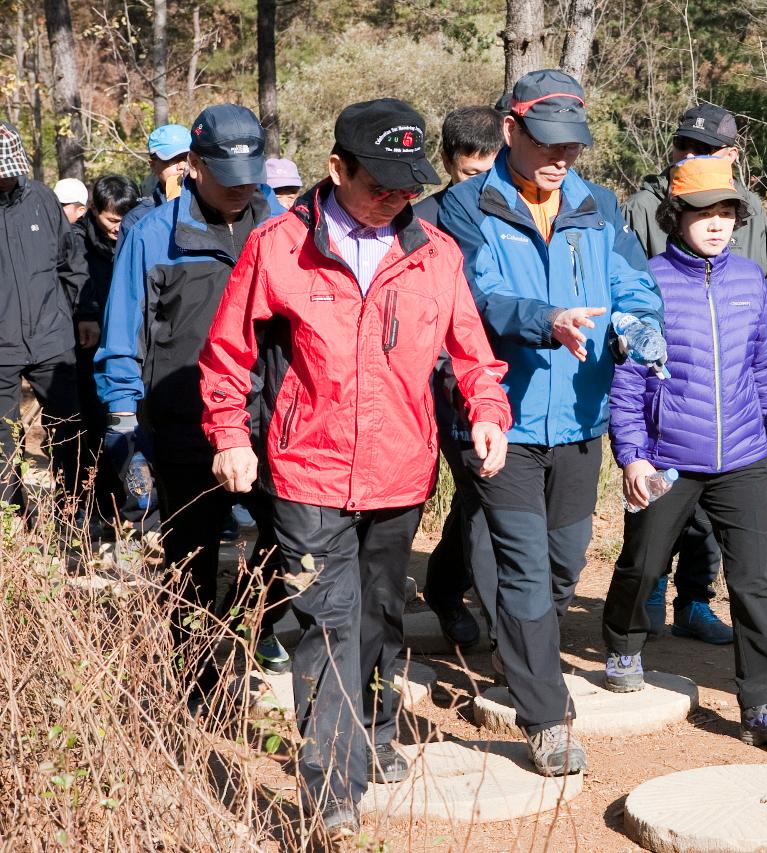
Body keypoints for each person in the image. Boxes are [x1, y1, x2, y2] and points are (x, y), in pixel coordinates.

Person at [198, 97, 512, 839]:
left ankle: (375, 728)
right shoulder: (279, 246)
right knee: (325, 622)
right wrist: (228, 432)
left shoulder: (435, 252)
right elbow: (227, 353)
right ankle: (332, 785)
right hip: (308, 470)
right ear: (336, 168)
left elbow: (472, 348)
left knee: (379, 616)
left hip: (402, 470)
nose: (395, 198)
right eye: (379, 184)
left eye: (407, 184)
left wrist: (489, 410)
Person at [438, 69, 663, 776]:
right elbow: (472, 297)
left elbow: (632, 280)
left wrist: (638, 320)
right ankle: (547, 717)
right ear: (511, 130)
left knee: (565, 558)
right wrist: (543, 320)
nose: (563, 157)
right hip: (498, 413)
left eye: (574, 143)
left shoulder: (598, 204)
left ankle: (520, 649)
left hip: (578, 414)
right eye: (548, 142)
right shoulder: (464, 208)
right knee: (525, 569)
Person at [604, 155, 767, 747]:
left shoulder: (750, 280)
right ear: (677, 217)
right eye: (704, 213)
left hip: (742, 458)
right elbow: (629, 380)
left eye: (726, 212)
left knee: (753, 583)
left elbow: (762, 367)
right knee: (643, 562)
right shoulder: (646, 281)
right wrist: (633, 456)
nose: (717, 224)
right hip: (669, 455)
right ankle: (621, 645)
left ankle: (764, 703)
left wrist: (765, 443)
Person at [95, 105, 290, 705]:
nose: (242, 191)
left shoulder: (280, 224)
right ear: (194, 167)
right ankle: (196, 687)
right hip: (184, 421)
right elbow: (122, 332)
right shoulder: (152, 234)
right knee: (193, 559)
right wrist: (124, 423)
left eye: (250, 177)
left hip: (274, 419)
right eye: (228, 178)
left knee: (287, 546)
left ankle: (258, 641)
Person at [622, 103, 767, 645]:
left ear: (732, 156)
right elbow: (628, 288)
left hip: (730, 382)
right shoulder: (645, 205)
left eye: (708, 150)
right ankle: (648, 594)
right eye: (686, 146)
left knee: (717, 509)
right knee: (660, 502)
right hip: (669, 381)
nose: (693, 156)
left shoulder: (745, 209)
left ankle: (694, 599)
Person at [412, 104, 504, 648]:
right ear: (447, 161)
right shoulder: (422, 220)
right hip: (444, 385)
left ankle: (446, 588)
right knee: (482, 498)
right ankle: (501, 636)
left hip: (506, 374)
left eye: (489, 173)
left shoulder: (523, 211)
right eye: (469, 174)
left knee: (482, 502)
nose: (479, 186)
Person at [0, 122, 88, 518]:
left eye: (10, 171)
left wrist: (82, 313)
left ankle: (75, 513)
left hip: (52, 338)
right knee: (2, 437)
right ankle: (12, 520)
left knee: (68, 428)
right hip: (1, 346)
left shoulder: (40, 198)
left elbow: (71, 262)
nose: (6, 180)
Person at [73, 175, 140, 527]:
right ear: (94, 212)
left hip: (129, 348)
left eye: (125, 220)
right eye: (112, 220)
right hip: (86, 348)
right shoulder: (76, 242)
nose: (119, 228)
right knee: (95, 428)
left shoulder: (139, 236)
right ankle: (96, 510)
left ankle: (132, 507)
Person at [118, 123, 191, 237]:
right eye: (172, 160)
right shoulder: (137, 220)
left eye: (187, 158)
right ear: (153, 165)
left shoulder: (217, 203)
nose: (182, 166)